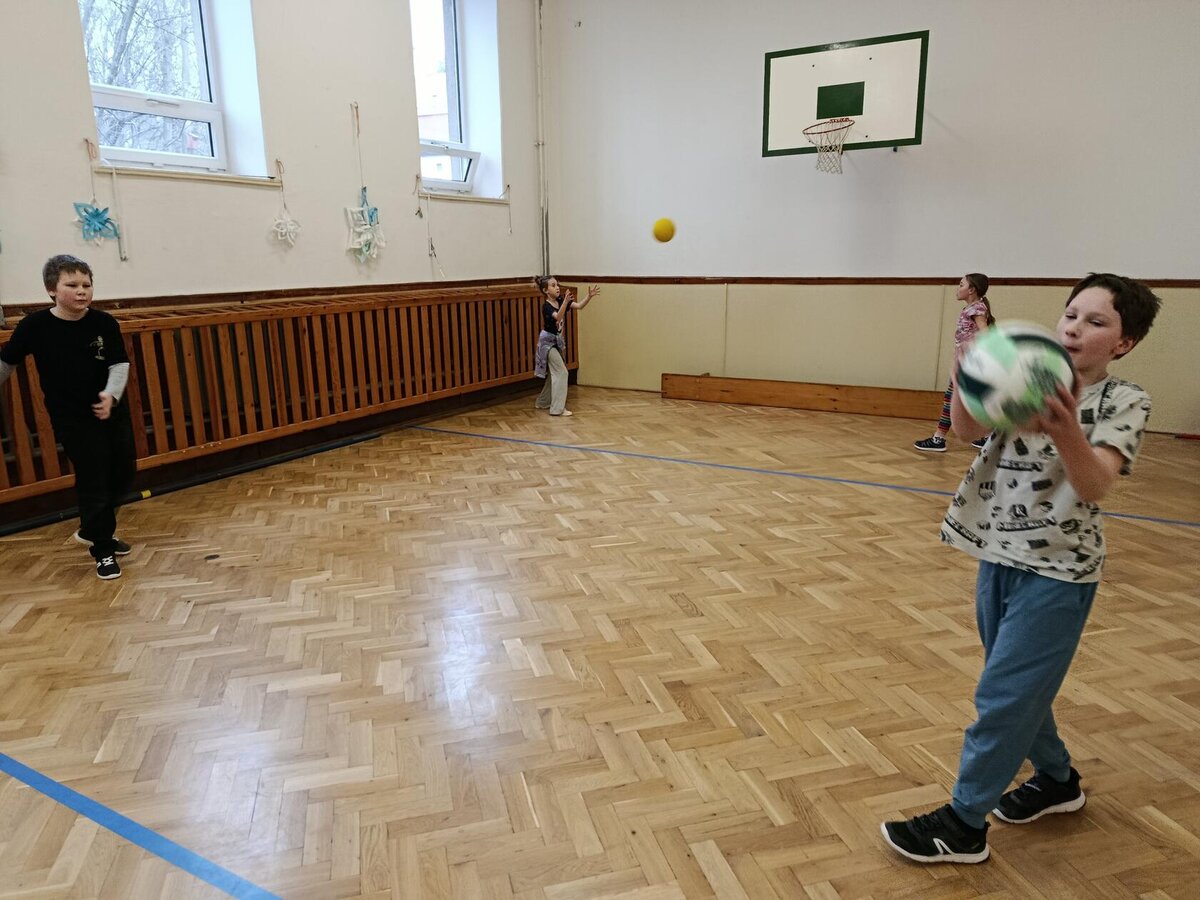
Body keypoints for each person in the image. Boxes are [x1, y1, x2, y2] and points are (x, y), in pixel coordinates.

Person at [881, 273, 1162, 863]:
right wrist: (967, 380)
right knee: (1018, 688)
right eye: (1071, 314)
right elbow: (967, 431)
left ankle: (963, 825)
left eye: (1096, 321)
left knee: (1004, 697)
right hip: (999, 555)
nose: (1074, 328)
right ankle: (1057, 781)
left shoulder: (1124, 400)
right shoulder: (1026, 375)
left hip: (1059, 572)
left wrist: (1064, 426)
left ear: (1124, 343)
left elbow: (1095, 484)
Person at [0, 255, 136, 580]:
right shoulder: (34, 326)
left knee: (123, 473)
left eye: (87, 285)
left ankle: (92, 529)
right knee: (94, 478)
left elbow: (119, 364)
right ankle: (102, 548)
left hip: (111, 411)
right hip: (72, 418)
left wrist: (110, 395)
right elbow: (6, 362)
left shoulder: (104, 323)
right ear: (52, 290)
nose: (81, 291)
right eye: (72, 285)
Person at [914, 273, 994, 453]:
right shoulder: (972, 308)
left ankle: (939, 439)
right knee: (975, 400)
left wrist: (972, 353)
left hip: (968, 365)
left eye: (961, 285)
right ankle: (988, 437)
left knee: (952, 399)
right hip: (965, 364)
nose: (958, 288)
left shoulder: (976, 309)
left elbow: (986, 334)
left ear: (971, 290)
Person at [533, 276, 599, 417]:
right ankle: (557, 409)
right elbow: (558, 317)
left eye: (557, 284)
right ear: (545, 290)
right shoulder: (546, 306)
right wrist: (565, 302)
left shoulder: (560, 300)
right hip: (547, 345)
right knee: (562, 372)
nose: (557, 287)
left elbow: (579, 306)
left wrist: (589, 297)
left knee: (555, 373)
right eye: (553, 285)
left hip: (556, 342)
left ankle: (543, 402)